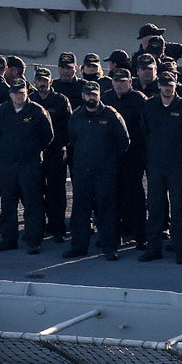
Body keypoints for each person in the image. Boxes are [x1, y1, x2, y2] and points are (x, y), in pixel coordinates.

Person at [64, 81, 129, 259]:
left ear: (99, 95)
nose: (91, 98)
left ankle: (110, 248)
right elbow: (72, 139)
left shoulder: (111, 115)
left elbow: (123, 142)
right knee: (80, 211)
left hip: (104, 172)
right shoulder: (76, 116)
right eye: (88, 95)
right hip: (82, 171)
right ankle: (78, 246)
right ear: (83, 96)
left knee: (107, 210)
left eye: (94, 94)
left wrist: (109, 160)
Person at [139, 71, 182, 263]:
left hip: (177, 166)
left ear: (175, 85)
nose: (167, 87)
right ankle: (154, 249)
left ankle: (181, 250)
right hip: (156, 165)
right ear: (159, 86)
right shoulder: (149, 106)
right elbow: (144, 131)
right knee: (155, 208)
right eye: (164, 84)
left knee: (179, 209)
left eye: (170, 84)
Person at [0, 79, 53, 254]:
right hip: (7, 165)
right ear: (10, 94)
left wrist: (31, 151)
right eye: (15, 93)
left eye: (22, 93)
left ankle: (34, 241)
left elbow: (48, 136)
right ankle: (8, 239)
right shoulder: (3, 111)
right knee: (8, 203)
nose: (19, 96)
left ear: (26, 93)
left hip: (29, 165)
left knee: (33, 204)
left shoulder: (37, 111)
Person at [102, 68, 148, 250]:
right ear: (112, 81)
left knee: (135, 196)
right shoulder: (105, 99)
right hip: (111, 157)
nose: (119, 84)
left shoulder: (140, 100)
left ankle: (140, 236)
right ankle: (114, 235)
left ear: (130, 82)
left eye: (123, 81)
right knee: (112, 198)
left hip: (134, 156)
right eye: (116, 81)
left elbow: (147, 127)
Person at [30, 67, 71, 243]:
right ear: (35, 82)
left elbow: (70, 127)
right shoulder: (30, 100)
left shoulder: (61, 100)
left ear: (51, 81)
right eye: (39, 80)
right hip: (34, 154)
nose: (42, 83)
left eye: (45, 80)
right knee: (35, 192)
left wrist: (60, 143)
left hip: (55, 153)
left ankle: (58, 228)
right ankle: (37, 228)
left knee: (57, 192)